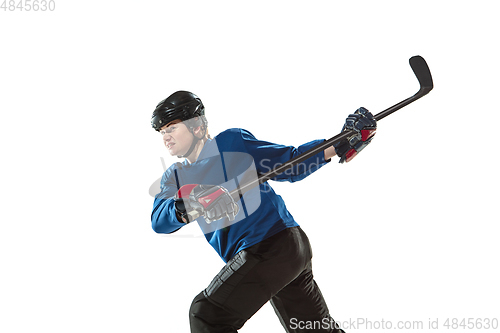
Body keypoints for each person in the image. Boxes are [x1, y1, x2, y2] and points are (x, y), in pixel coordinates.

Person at [151, 91, 376, 333]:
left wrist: (341, 143)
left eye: (172, 127)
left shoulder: (231, 143)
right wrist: (186, 206)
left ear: (196, 126)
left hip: (273, 243)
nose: (166, 136)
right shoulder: (174, 177)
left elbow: (289, 164)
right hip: (278, 254)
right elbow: (159, 222)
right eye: (162, 131)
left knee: (207, 315)